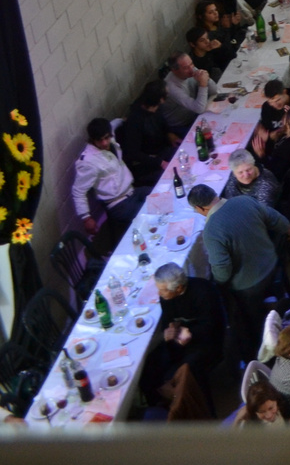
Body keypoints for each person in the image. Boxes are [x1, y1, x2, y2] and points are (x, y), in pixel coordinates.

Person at [190, 183, 290, 362]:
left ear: (199, 208)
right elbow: (278, 220)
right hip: (271, 263)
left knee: (224, 295)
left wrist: (219, 283)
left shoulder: (211, 231)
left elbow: (222, 271)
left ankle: (262, 347)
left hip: (251, 285)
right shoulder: (244, 201)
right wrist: (289, 232)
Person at [143, 262, 226, 405]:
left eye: (163, 290)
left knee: (189, 369)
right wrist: (168, 329)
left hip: (207, 340)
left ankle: (204, 409)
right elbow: (168, 318)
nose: (159, 294)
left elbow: (213, 326)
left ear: (179, 288)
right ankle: (159, 403)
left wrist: (191, 332)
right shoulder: (166, 297)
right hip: (181, 339)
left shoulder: (204, 292)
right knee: (149, 364)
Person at [72, 118, 146, 249]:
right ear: (92, 140)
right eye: (99, 140)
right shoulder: (88, 162)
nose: (104, 142)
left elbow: (112, 124)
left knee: (162, 194)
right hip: (119, 205)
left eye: (107, 137)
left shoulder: (110, 139)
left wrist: (121, 120)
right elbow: (78, 191)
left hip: (133, 192)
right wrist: (86, 217)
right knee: (151, 213)